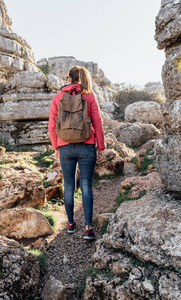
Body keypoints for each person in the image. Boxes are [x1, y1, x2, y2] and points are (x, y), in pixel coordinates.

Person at [48, 66, 105, 240]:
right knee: (86, 185)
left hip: (65, 145)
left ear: (69, 78)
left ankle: (71, 224)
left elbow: (52, 125)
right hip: (86, 144)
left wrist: (56, 147)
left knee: (69, 186)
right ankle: (88, 228)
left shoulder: (58, 97)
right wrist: (101, 147)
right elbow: (97, 123)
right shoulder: (89, 95)